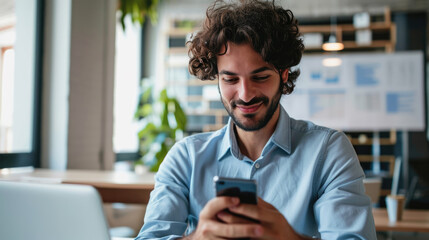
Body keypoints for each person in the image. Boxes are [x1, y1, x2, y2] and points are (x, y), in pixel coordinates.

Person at [136, 0, 376, 239]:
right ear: (217, 78)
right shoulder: (186, 159)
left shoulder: (328, 152)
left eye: (260, 77)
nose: (245, 94)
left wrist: (288, 237)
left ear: (283, 76)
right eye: (230, 80)